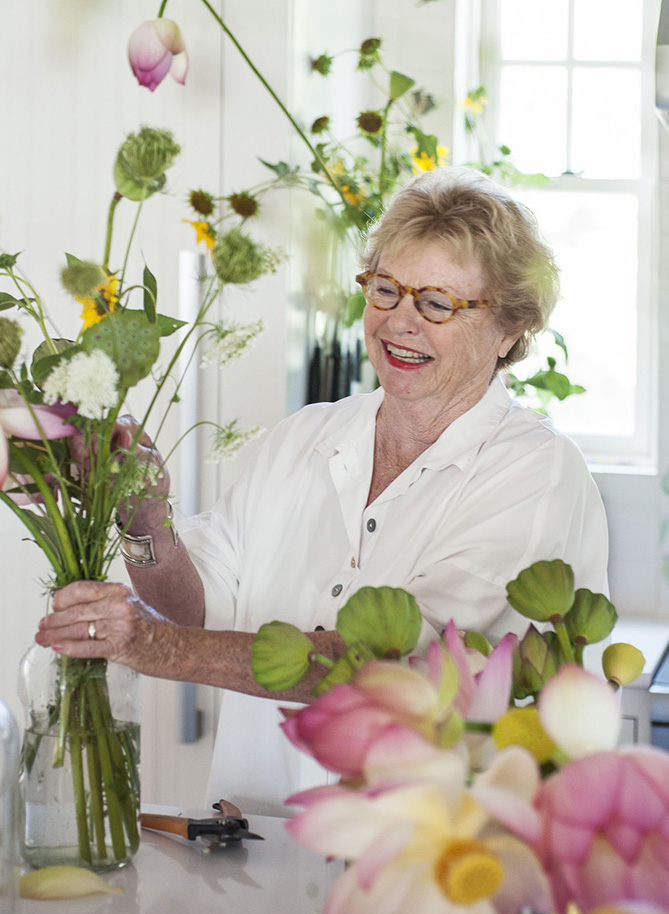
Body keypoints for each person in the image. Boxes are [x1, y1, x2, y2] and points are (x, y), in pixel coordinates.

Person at [36, 166, 609, 815]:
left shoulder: (534, 471)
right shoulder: (302, 438)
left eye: (437, 303)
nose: (399, 322)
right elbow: (198, 608)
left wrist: (153, 646)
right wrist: (146, 522)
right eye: (386, 290)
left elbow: (389, 666)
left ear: (509, 327)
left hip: (425, 868)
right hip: (251, 842)